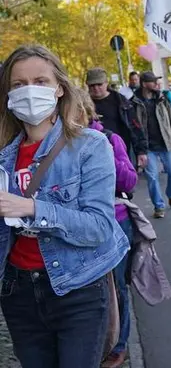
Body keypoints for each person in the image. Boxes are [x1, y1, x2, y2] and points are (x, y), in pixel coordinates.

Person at [0, 45, 129, 367]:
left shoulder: (90, 146)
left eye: (40, 81)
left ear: (59, 88)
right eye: (18, 84)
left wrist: (31, 208)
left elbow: (99, 227)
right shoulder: (3, 156)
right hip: (18, 292)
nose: (29, 90)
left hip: (77, 287)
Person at [76, 90, 138, 368]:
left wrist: (102, 153)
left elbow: (129, 181)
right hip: (79, 225)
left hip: (116, 219)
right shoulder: (57, 145)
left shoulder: (110, 139)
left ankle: (119, 344)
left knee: (117, 288)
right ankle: (96, 343)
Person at [134, 71, 171, 219]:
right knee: (152, 177)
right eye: (153, 82)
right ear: (144, 84)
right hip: (148, 147)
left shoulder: (162, 100)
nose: (157, 84)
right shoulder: (135, 102)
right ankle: (159, 205)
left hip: (166, 143)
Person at [86, 67, 146, 164]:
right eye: (92, 85)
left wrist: (141, 151)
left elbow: (135, 126)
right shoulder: (83, 104)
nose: (96, 88)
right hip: (96, 155)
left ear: (106, 83)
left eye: (99, 84)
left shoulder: (121, 101)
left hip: (122, 152)